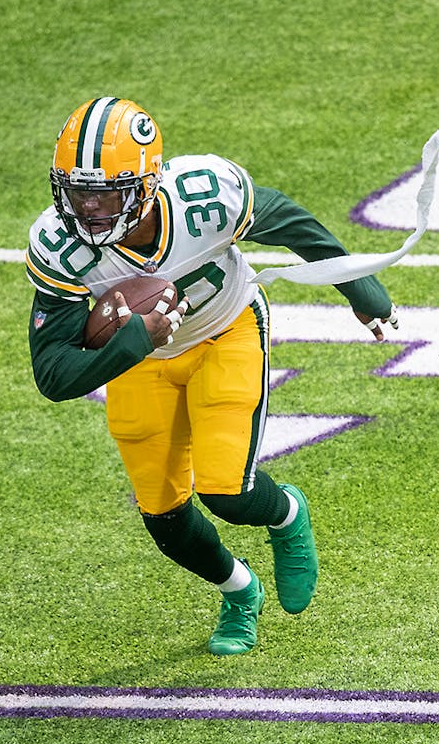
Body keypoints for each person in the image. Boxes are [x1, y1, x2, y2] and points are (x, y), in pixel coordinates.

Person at [26, 96, 397, 654]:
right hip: (141, 362)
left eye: (107, 192)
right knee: (163, 517)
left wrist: (356, 284)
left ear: (148, 185)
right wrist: (135, 339)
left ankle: (288, 513)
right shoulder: (59, 245)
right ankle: (240, 592)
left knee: (227, 490)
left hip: (226, 330)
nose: (90, 208)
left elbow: (284, 217)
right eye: (77, 191)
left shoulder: (203, 196)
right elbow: (53, 374)